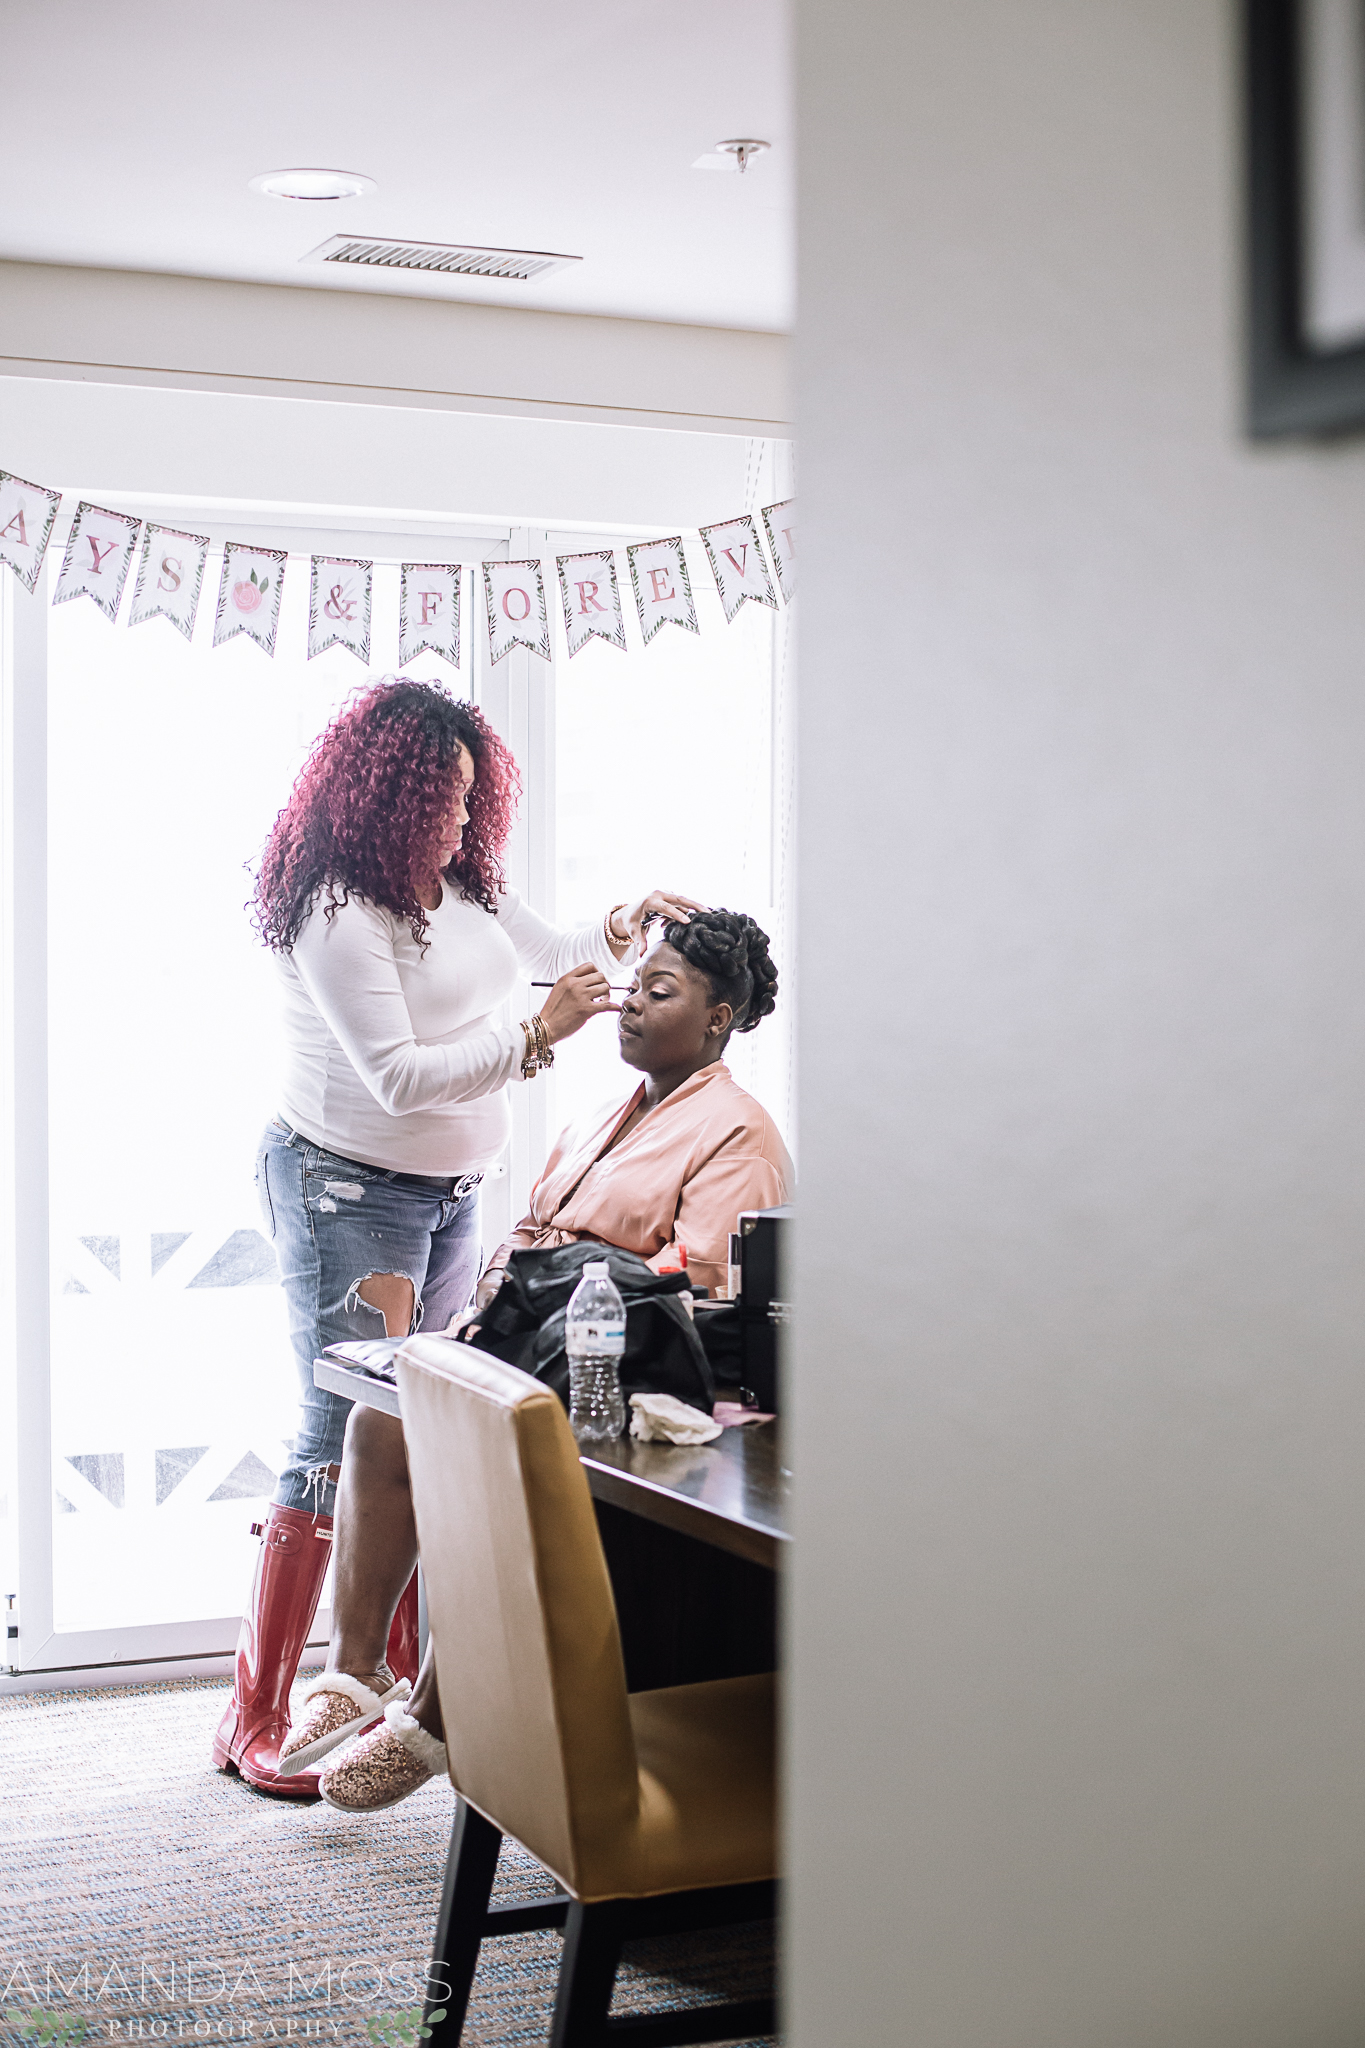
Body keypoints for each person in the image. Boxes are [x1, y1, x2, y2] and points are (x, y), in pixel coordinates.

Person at [212, 675, 700, 1796]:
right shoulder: (340, 905)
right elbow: (393, 1073)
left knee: (415, 1426)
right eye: (441, 799)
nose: (461, 819)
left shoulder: (459, 881)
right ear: (381, 795)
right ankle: (268, 1709)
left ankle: (376, 1684)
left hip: (444, 1190)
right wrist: (535, 1039)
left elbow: (548, 946)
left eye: (473, 796)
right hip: (346, 1186)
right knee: (336, 1428)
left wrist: (624, 926)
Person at [278, 907, 791, 1813]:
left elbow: (702, 1298)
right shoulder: (604, 1116)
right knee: (382, 1419)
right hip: (528, 1341)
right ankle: (356, 1673)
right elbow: (529, 1229)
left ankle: (439, 1715)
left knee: (490, 1460)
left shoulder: (738, 1134)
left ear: (718, 1018)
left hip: (621, 1380)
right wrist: (500, 1293)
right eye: (630, 988)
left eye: (657, 993)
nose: (628, 1006)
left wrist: (562, 1278)